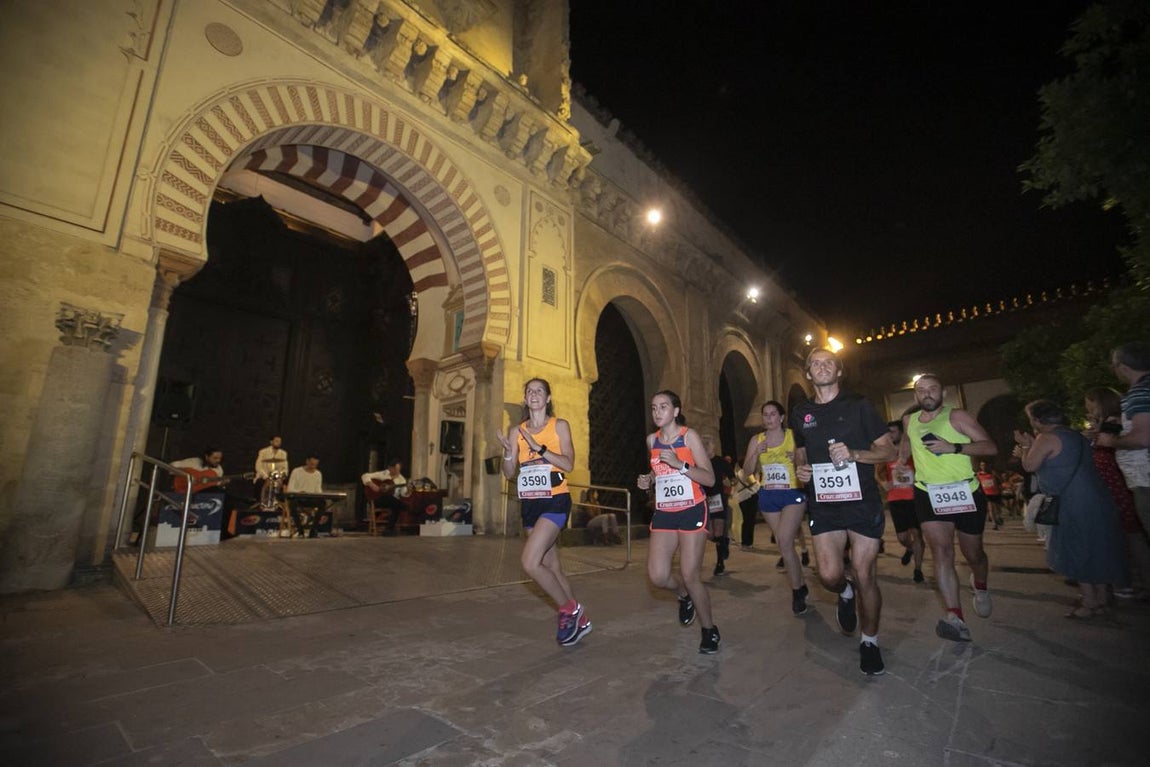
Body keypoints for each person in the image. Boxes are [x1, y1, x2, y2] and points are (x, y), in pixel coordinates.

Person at [791, 349, 896, 675]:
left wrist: (854, 454)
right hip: (824, 504)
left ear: (839, 371)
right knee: (829, 575)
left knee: (866, 573)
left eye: (828, 362)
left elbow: (888, 450)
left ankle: (870, 641)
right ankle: (844, 591)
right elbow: (799, 453)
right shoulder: (801, 412)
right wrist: (802, 471)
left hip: (862, 501)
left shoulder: (859, 406)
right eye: (815, 364)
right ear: (808, 374)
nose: (821, 367)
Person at [900, 374, 998, 642]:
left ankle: (980, 585)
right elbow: (907, 444)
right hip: (928, 493)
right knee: (941, 553)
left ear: (942, 392)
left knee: (973, 554)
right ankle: (955, 617)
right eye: (922, 390)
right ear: (916, 396)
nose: (927, 394)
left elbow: (989, 447)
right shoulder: (909, 420)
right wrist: (901, 460)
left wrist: (954, 446)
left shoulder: (958, 417)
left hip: (964, 491)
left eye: (933, 389)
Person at [496, 378, 591, 647]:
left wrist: (541, 449)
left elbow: (569, 464)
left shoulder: (558, 426)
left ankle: (568, 609)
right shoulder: (516, 431)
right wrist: (507, 454)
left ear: (548, 398)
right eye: (529, 391)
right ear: (525, 399)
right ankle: (579, 620)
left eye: (539, 391)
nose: (534, 394)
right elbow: (509, 473)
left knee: (529, 562)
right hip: (530, 504)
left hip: (555, 500)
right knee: (552, 566)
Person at [1014, 400, 1126, 618]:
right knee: (1097, 546)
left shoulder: (1046, 438)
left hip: (1072, 500)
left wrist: (1025, 447)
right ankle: (1103, 598)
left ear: (1037, 420)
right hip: (1096, 496)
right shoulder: (1075, 435)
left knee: (1077, 546)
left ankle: (1089, 602)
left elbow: (1029, 466)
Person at [637, 390, 721, 653]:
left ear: (675, 411)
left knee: (690, 573)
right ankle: (683, 595)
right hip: (664, 511)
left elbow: (710, 479)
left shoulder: (689, 436)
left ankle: (709, 629)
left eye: (663, 407)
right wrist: (648, 480)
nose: (657, 412)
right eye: (653, 408)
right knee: (658, 576)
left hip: (692, 509)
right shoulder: (652, 440)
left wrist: (681, 465)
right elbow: (657, 468)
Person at [743, 400, 810, 615]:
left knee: (784, 539)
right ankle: (800, 586)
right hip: (768, 494)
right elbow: (746, 472)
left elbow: (810, 464)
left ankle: (797, 590)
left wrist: (797, 459)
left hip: (792, 492)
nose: (769, 418)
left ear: (781, 417)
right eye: (765, 415)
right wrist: (755, 454)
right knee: (784, 546)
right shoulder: (757, 440)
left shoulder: (793, 436)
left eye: (773, 414)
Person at [1084, 387, 1150, 598]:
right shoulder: (1113, 421)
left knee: (1129, 535)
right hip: (1120, 480)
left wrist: (1096, 433)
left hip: (1116, 483)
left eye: (1090, 405)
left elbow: (1105, 445)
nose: (1088, 409)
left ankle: (1131, 582)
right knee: (1132, 535)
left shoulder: (1113, 420)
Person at [1095, 342, 1150, 541]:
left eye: (1114, 365)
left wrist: (1111, 441)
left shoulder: (1139, 392)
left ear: (1123, 367)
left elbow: (1143, 437)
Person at [877, 421, 924, 583]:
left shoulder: (912, 450)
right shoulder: (887, 453)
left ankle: (918, 570)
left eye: (893, 431)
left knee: (917, 534)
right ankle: (909, 548)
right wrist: (884, 484)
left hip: (914, 498)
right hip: (895, 499)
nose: (891, 435)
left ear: (901, 433)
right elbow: (878, 473)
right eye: (888, 432)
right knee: (902, 537)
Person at [704, 435, 734, 575]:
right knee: (709, 534)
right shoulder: (699, 462)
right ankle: (724, 541)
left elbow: (732, 477)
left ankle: (720, 563)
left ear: (713, 446)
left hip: (718, 499)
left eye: (707, 444)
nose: (705, 446)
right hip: (705, 500)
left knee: (719, 530)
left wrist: (731, 482)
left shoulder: (721, 461)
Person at [361, 459, 408, 536]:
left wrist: (406, 491)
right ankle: (405, 507)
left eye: (398, 470)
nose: (397, 472)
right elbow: (365, 475)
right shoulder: (383, 474)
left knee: (395, 505)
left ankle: (388, 530)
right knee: (394, 501)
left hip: (392, 501)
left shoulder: (402, 480)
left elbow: (402, 494)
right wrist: (371, 484)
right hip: (378, 499)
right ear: (390, 468)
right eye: (395, 469)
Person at [286, 454, 324, 537]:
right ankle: (300, 530)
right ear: (307, 461)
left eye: (315, 465)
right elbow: (290, 488)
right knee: (292, 504)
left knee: (322, 503)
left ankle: (313, 530)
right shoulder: (296, 471)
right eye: (311, 464)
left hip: (311, 498)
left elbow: (318, 490)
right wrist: (300, 492)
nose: (313, 466)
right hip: (298, 498)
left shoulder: (318, 474)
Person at [976, 461, 1004, 529]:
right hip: (986, 493)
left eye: (985, 465)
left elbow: (1000, 481)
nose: (983, 466)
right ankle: (994, 524)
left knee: (997, 509)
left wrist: (997, 476)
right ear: (980, 466)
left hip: (995, 493)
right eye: (982, 465)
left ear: (987, 466)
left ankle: (998, 517)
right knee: (990, 508)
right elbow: (977, 483)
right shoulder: (978, 474)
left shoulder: (993, 473)